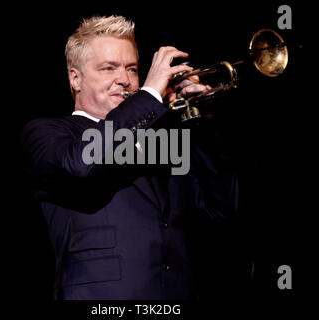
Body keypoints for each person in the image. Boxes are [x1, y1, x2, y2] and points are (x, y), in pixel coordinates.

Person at [20, 15, 239, 299]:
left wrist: (203, 123)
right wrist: (148, 96)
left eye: (132, 69)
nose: (124, 80)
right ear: (75, 78)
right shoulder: (45, 133)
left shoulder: (161, 140)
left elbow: (223, 211)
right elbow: (83, 165)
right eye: (108, 68)